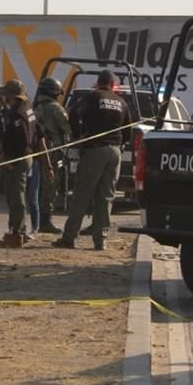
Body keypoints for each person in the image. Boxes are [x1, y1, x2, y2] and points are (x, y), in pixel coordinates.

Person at [52, 70, 129, 251]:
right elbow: (128, 130)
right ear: (112, 84)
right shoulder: (121, 102)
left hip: (95, 149)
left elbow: (73, 113)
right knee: (106, 197)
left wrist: (79, 137)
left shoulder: (93, 97)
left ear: (98, 82)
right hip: (115, 152)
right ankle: (100, 240)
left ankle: (70, 237)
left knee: (82, 194)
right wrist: (120, 143)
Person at [0, 79, 39, 248]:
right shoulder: (29, 109)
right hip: (27, 157)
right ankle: (20, 230)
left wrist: (12, 160)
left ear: (11, 96)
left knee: (16, 195)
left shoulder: (17, 114)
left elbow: (22, 139)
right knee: (18, 194)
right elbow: (37, 134)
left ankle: (16, 233)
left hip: (18, 158)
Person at [33, 77, 71, 234]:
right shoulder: (56, 109)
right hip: (53, 153)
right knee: (50, 187)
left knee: (36, 187)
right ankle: (45, 222)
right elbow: (67, 129)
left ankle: (37, 220)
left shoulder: (32, 109)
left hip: (36, 153)